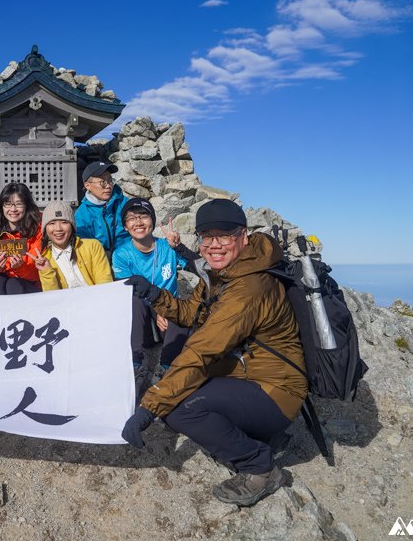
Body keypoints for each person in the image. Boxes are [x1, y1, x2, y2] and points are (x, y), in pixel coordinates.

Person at [121, 199, 306, 507]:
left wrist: (148, 407)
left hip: (277, 390)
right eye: (207, 236)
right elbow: (190, 313)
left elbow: (202, 351)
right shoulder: (224, 274)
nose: (214, 245)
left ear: (243, 237)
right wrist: (154, 295)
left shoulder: (248, 288)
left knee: (179, 408)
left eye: (225, 235)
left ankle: (259, 466)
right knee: (181, 393)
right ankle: (257, 435)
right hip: (251, 374)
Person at [113, 198, 194, 385]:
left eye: (144, 216)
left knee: (182, 310)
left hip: (168, 319)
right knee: (133, 298)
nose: (139, 222)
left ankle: (164, 368)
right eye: (132, 218)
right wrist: (158, 310)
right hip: (142, 320)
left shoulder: (168, 247)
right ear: (125, 226)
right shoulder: (121, 255)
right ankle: (136, 364)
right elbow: (127, 292)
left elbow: (202, 268)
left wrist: (180, 248)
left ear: (153, 221)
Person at [31, 201, 113, 290]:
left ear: (72, 226)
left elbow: (105, 282)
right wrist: (46, 272)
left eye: (64, 222)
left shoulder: (92, 246)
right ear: (45, 229)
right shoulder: (45, 259)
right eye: (52, 223)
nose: (58, 228)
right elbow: (52, 298)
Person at [0, 182, 43, 295]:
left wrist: (20, 267)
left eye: (18, 204)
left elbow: (38, 272)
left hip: (32, 285)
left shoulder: (38, 229)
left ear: (27, 206)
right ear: (1, 206)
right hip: (6, 282)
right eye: (7, 204)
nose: (13, 209)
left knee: (13, 283)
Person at [75, 160, 130, 260]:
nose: (108, 186)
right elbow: (85, 249)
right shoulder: (81, 215)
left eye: (110, 181)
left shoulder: (125, 204)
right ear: (88, 186)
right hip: (100, 261)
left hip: (128, 257)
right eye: (103, 182)